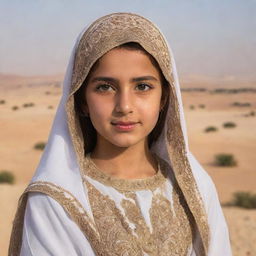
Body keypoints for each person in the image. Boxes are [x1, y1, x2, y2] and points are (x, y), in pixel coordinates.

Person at [8, 12, 232, 256]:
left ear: (164, 97)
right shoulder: (56, 200)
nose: (124, 106)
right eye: (105, 87)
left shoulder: (196, 188)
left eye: (142, 87)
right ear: (82, 100)